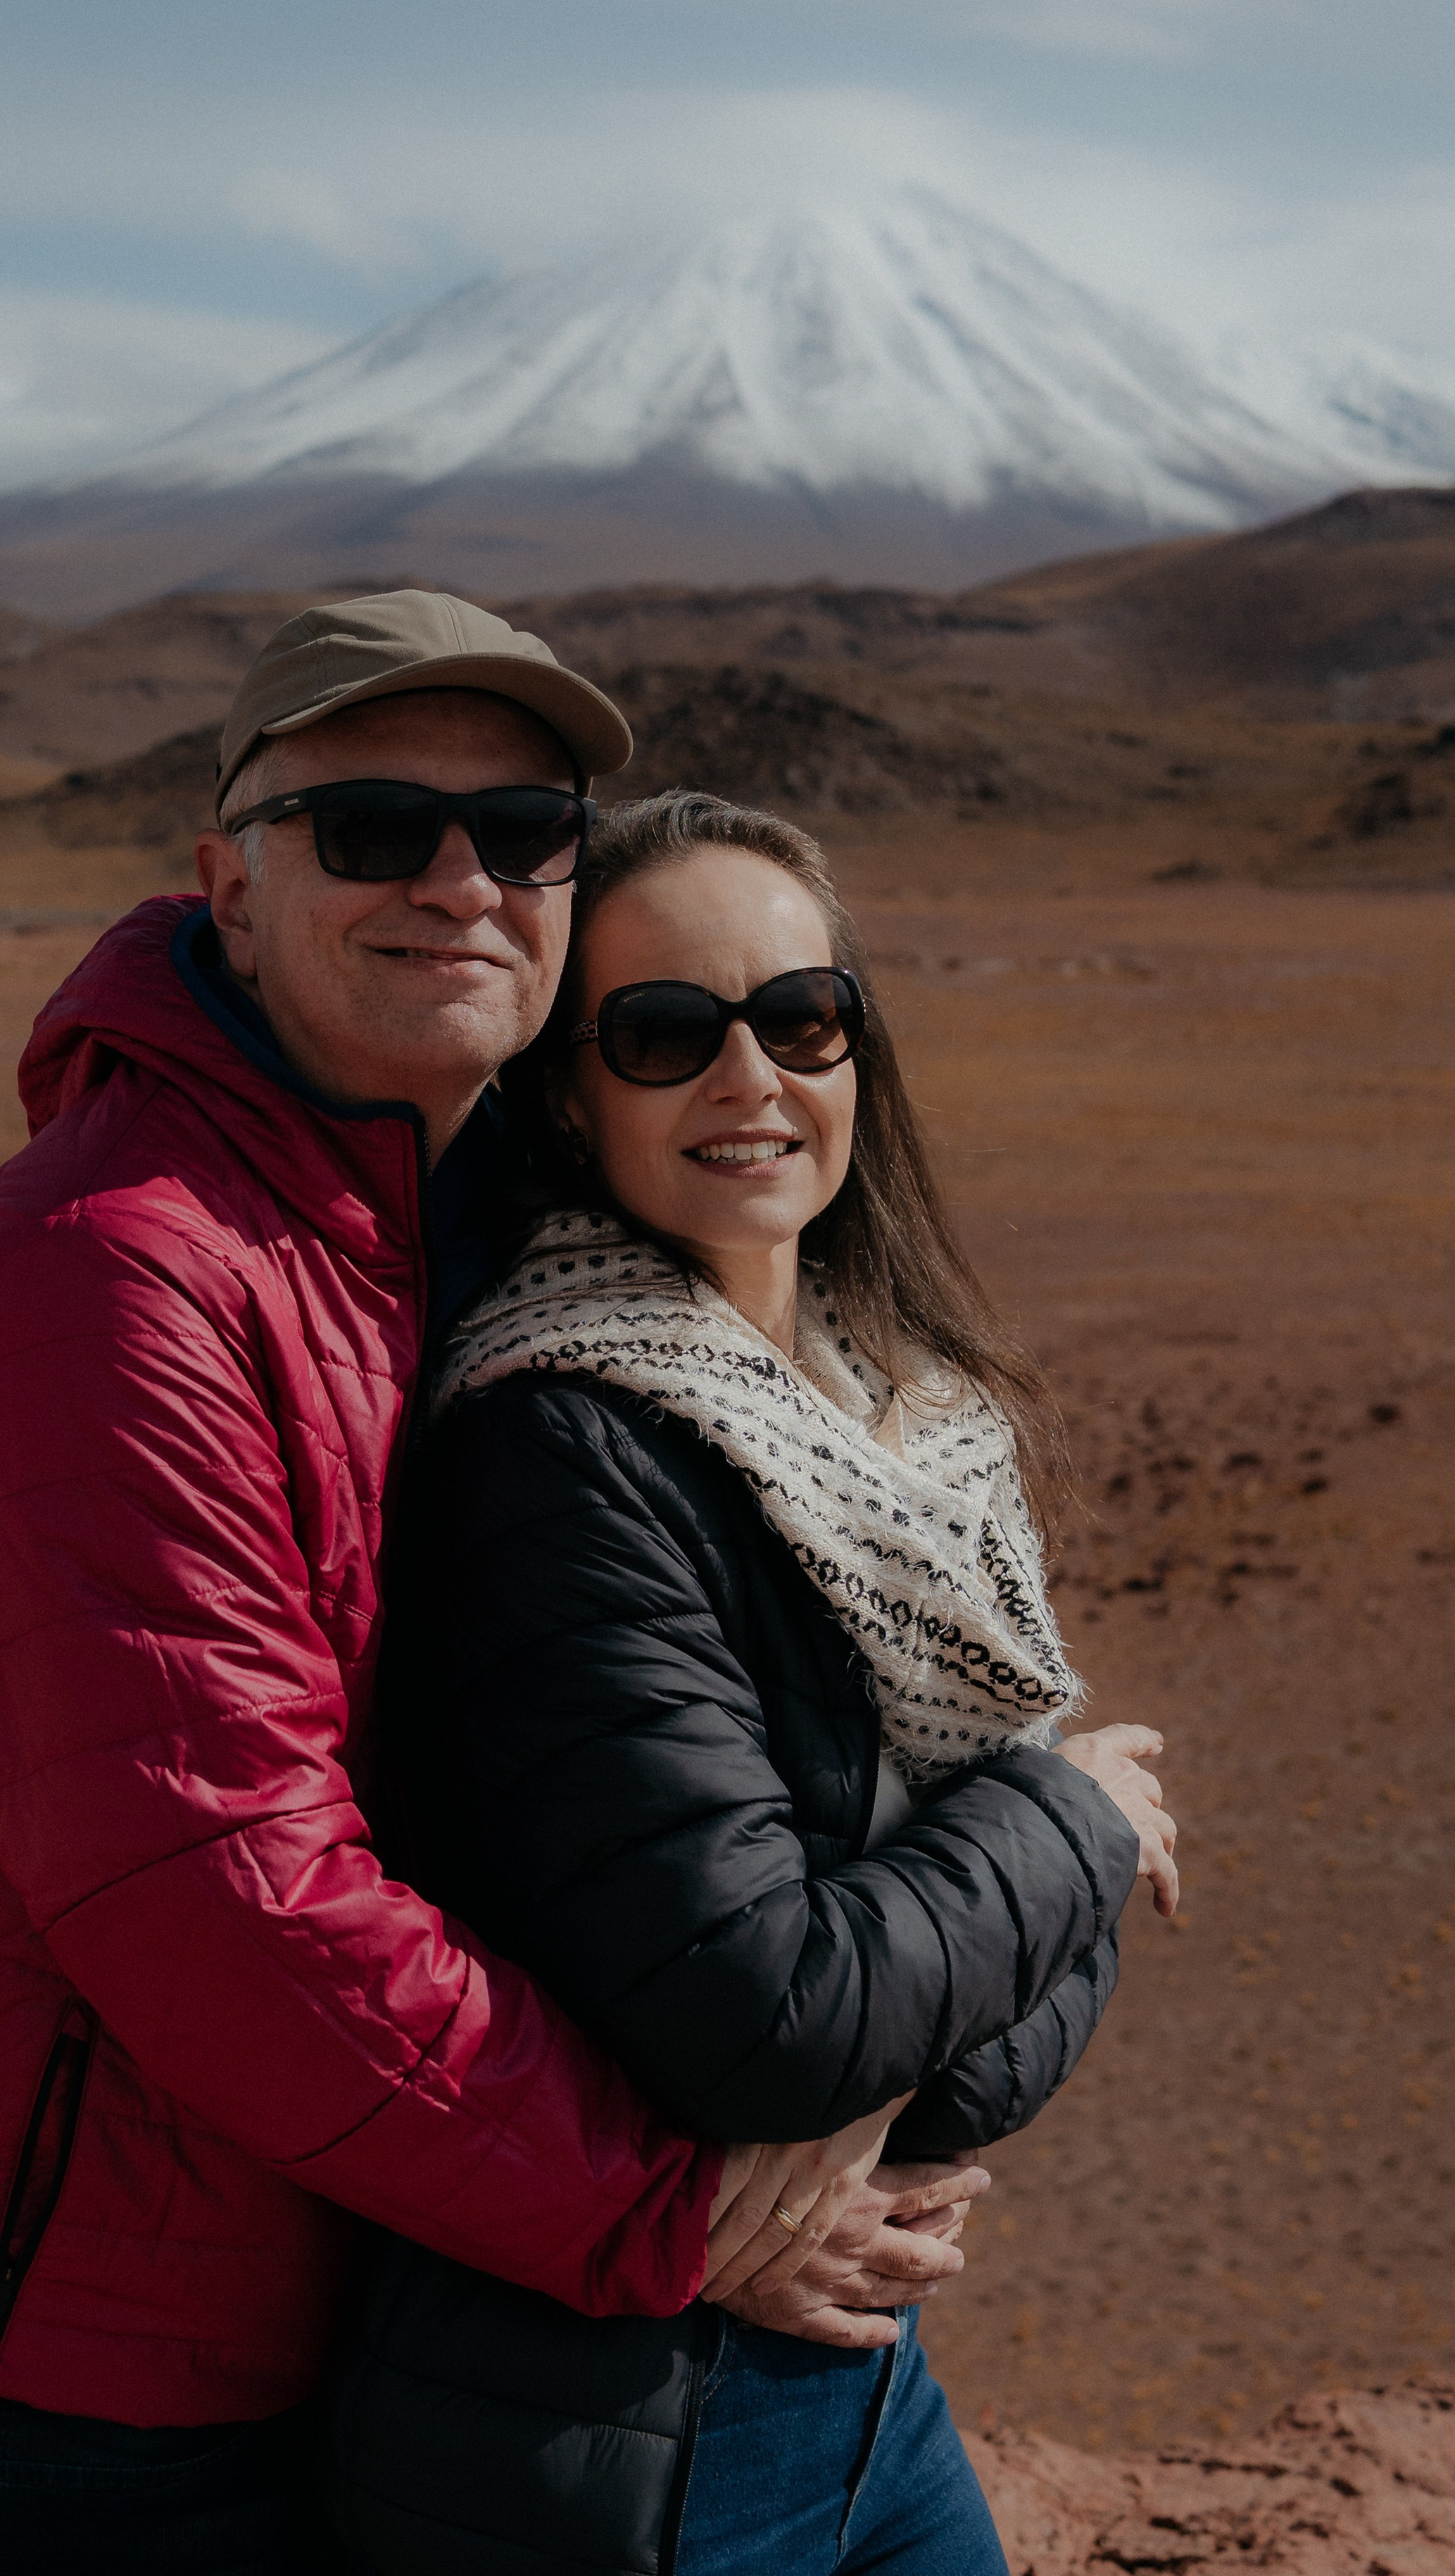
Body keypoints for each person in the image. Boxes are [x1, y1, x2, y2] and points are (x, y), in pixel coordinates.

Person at [0, 596, 982, 2576]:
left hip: (363, 2260)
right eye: (369, 831)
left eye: (520, 833)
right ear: (225, 885)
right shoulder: (113, 1279)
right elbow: (234, 1905)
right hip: (83, 2350)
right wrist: (690, 2207)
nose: (458, 881)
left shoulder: (467, 1215)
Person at [332, 791, 1178, 2575]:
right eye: (661, 1034)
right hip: (603, 2433)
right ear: (570, 1093)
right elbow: (772, 2018)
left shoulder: (909, 1425)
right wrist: (1076, 1818)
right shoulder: (557, 1446)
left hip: (851, 2373)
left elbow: (952, 2047)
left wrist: (910, 2045)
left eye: (798, 1019)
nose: (748, 1080)